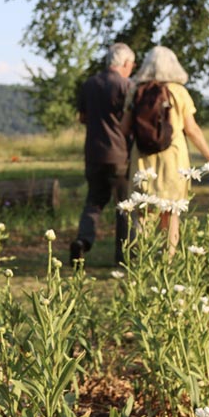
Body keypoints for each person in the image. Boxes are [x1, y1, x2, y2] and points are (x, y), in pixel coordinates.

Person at [123, 45, 209, 251]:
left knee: (143, 212)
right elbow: (192, 130)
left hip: (143, 157)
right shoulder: (179, 92)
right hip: (173, 159)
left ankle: (142, 259)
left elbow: (124, 127)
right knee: (171, 212)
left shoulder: (135, 91)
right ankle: (168, 261)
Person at [70, 43, 135, 265]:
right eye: (131, 65)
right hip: (119, 155)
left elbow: (82, 117)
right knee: (124, 207)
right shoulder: (126, 86)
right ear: (125, 63)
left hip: (94, 153)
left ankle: (82, 241)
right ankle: (123, 255)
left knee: (94, 202)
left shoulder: (89, 84)